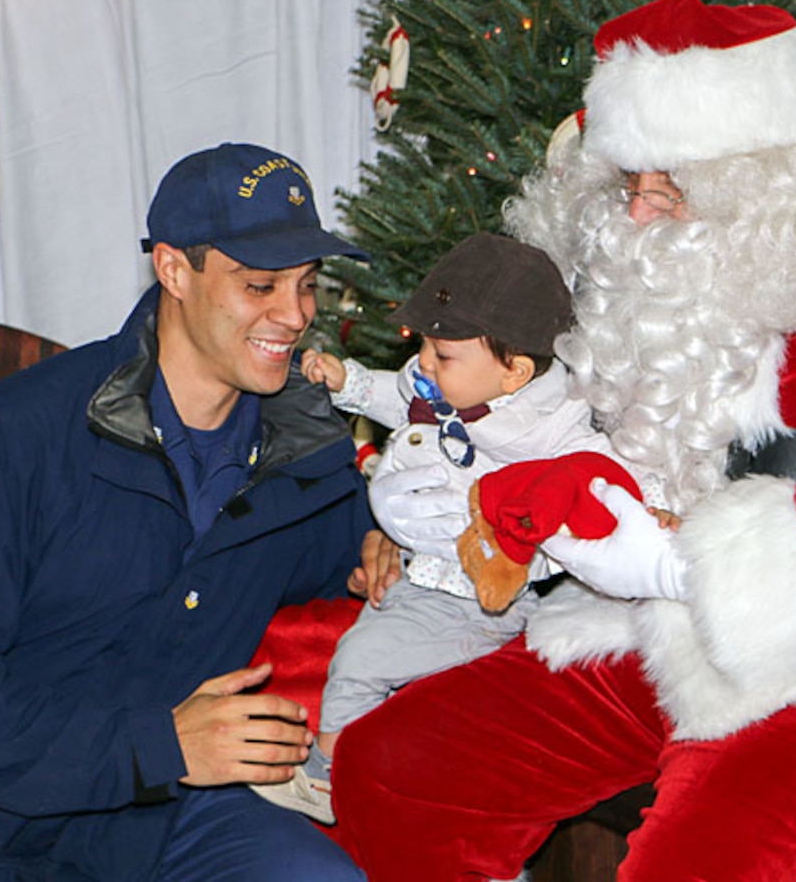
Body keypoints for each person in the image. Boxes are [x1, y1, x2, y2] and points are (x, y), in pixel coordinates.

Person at [321, 0, 796, 882]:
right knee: (395, 764)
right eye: (627, 184)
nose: (639, 217)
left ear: (771, 185)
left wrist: (689, 563)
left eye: (672, 187)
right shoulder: (634, 299)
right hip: (648, 623)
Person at [0, 143, 379, 882]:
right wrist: (161, 746)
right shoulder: (0, 444)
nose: (294, 315)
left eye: (306, 285)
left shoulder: (305, 458)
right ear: (172, 270)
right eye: (259, 284)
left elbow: (362, 557)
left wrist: (390, 536)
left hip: (150, 828)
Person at [252, 231, 659, 824]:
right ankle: (381, 767)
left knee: (357, 664)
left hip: (476, 601)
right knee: (378, 660)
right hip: (424, 579)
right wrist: (350, 383)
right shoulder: (455, 388)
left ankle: (329, 780)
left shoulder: (548, 429)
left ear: (516, 370)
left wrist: (646, 507)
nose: (423, 363)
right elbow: (400, 397)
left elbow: (601, 478)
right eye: (424, 346)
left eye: (443, 355)